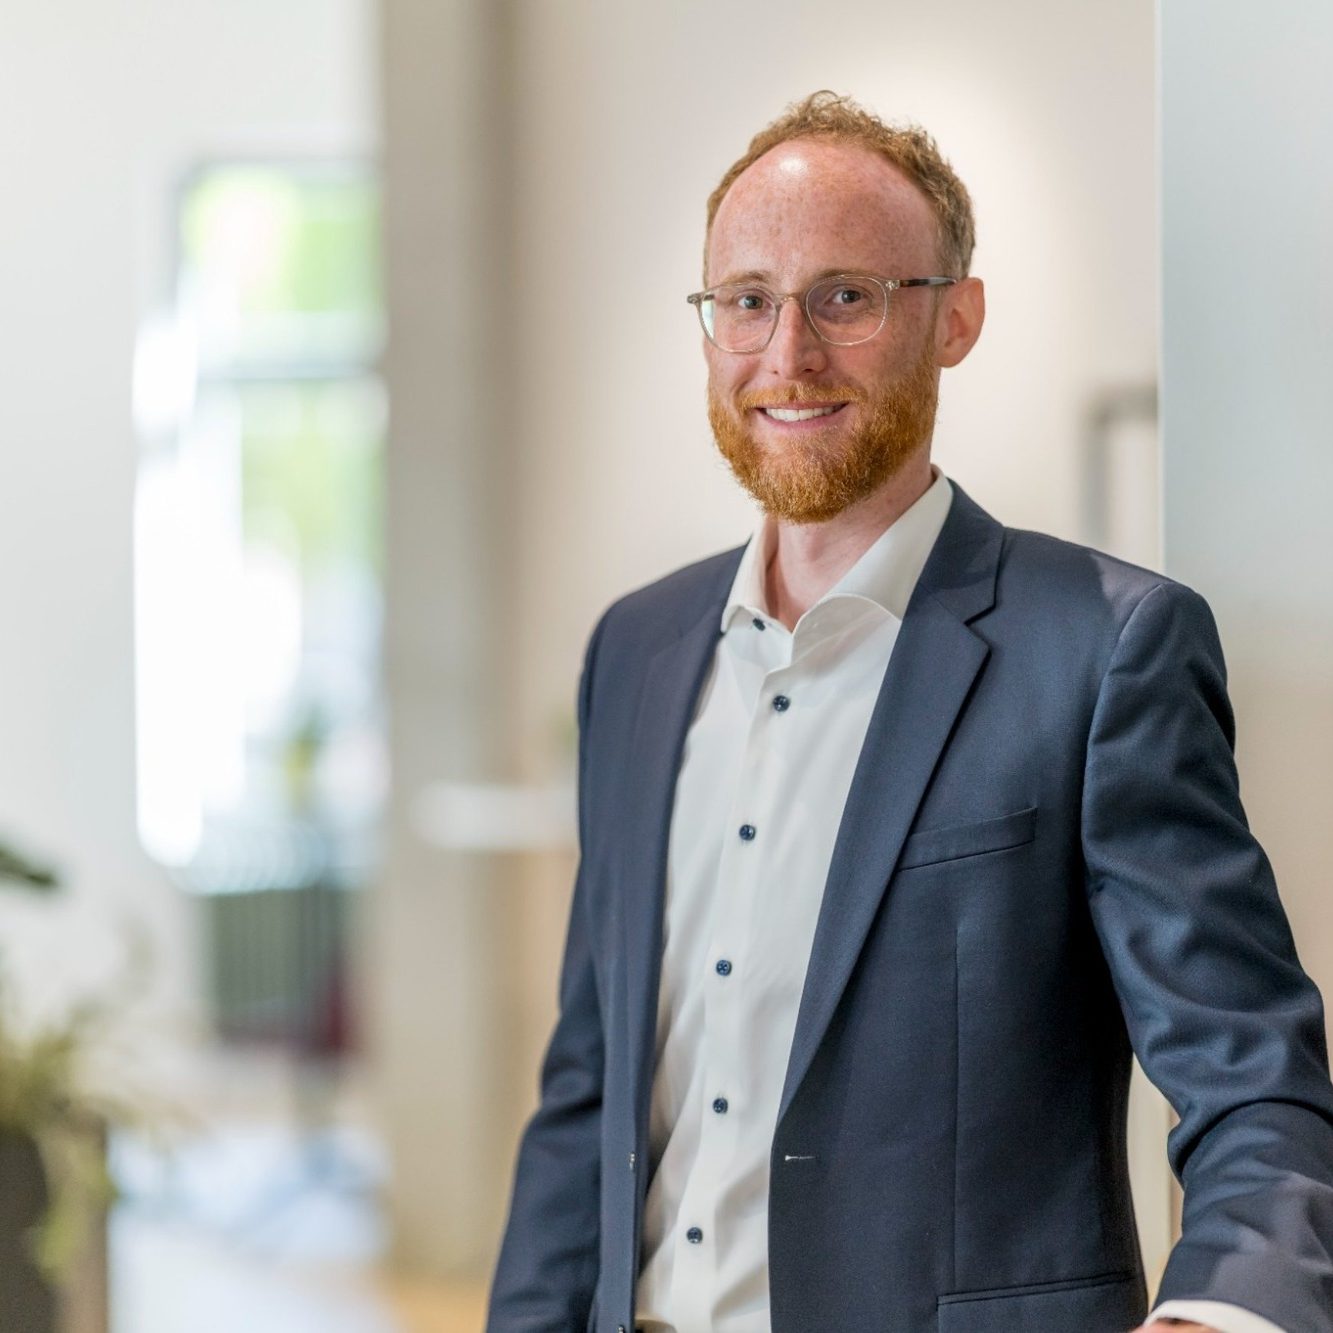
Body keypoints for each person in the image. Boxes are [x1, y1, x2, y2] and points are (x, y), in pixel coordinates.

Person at [486, 91, 1333, 1333]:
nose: (787, 355)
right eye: (747, 300)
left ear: (955, 319)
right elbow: (587, 1094)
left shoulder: (1103, 650)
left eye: (845, 296)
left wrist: (1221, 1311)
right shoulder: (637, 651)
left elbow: (1251, 1077)